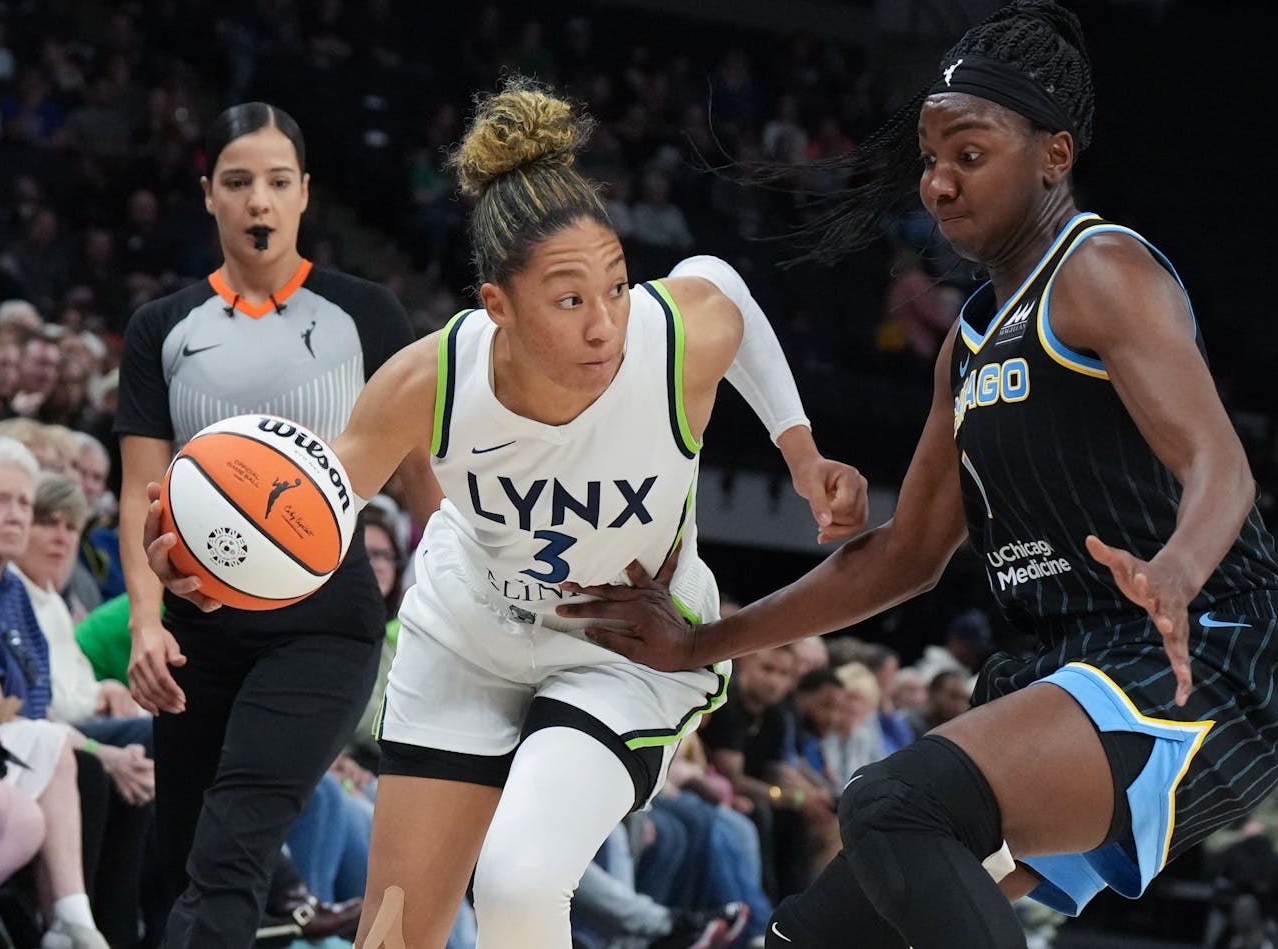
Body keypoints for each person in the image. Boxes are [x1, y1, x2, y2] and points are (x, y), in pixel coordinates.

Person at [559, 4, 1278, 946]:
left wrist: (1176, 567)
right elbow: (902, 558)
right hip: (1070, 663)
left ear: (1053, 155)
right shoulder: (964, 345)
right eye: (930, 158)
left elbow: (1221, 465)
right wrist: (703, 640)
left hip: (1204, 650)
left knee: (891, 805)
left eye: (969, 153)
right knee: (819, 933)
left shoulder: (1101, 268)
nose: (940, 183)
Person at [148, 78, 866, 947]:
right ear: (498, 307)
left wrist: (801, 450)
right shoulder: (429, 379)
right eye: (569, 300)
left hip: (623, 644)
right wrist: (216, 569)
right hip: (471, 629)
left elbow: (724, 289)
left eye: (615, 285)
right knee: (394, 934)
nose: (606, 324)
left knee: (519, 883)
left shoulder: (670, 336)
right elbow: (308, 513)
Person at [114, 101, 437, 948]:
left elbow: (421, 483)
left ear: (304, 196)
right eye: (239, 182)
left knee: (230, 850)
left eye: (278, 183)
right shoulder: (160, 327)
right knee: (179, 860)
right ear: (209, 196)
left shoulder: (368, 315)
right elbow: (138, 486)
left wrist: (451, 618)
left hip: (323, 628)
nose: (259, 201)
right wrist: (146, 620)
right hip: (196, 623)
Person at [0, 437, 110, 948]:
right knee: (61, 769)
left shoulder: (12, 588)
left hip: (4, 733)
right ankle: (68, 919)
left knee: (78, 759)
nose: (15, 514)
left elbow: (33, 691)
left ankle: (76, 920)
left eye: (23, 503)